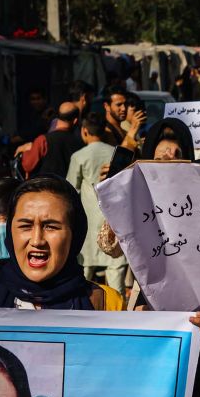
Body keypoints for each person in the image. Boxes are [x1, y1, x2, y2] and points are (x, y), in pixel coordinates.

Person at [0, 175, 122, 310]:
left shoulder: (107, 304)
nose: (37, 240)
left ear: (75, 235)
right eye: (25, 226)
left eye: (51, 227)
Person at [67, 114, 125, 295]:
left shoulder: (79, 156)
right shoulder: (115, 152)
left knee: (85, 270)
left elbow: (71, 187)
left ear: (84, 131)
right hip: (112, 217)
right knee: (115, 269)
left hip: (89, 217)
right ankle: (119, 311)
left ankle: (85, 310)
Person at [20, 102, 84, 179]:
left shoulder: (43, 140)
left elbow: (28, 165)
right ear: (75, 121)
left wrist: (26, 151)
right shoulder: (79, 142)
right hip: (68, 188)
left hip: (46, 187)